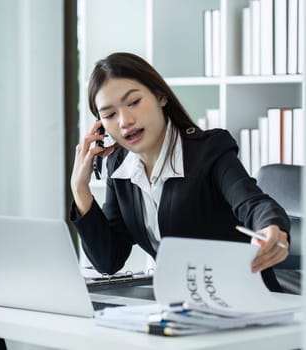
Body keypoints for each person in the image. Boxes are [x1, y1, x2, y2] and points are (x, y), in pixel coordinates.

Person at [70, 52, 290, 292]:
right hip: (179, 304)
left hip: (241, 297)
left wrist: (271, 228)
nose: (124, 121)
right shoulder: (120, 169)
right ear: (101, 127)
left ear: (160, 96)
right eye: (110, 115)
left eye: (133, 102)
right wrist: (80, 190)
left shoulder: (209, 150)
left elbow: (252, 202)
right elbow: (109, 259)